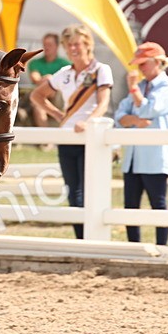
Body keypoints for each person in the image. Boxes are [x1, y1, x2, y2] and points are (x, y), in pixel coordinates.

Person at [29, 24, 113, 238]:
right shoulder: (64, 74)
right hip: (66, 137)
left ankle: (92, 238)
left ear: (87, 45)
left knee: (89, 192)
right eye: (69, 45)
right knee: (72, 192)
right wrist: (59, 115)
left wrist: (89, 122)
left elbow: (103, 103)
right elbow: (36, 96)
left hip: (90, 138)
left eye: (77, 44)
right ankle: (81, 239)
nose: (73, 49)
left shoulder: (100, 70)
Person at [113, 41, 168, 246]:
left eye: (144, 63)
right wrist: (135, 120)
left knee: (158, 205)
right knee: (130, 207)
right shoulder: (142, 87)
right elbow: (120, 115)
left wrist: (134, 94)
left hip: (155, 157)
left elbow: (148, 110)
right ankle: (134, 247)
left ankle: (162, 247)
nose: (140, 68)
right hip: (134, 157)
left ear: (158, 62)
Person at [26, 33, 70, 127]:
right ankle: (47, 141)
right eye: (44, 44)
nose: (46, 47)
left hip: (58, 98)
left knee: (39, 100)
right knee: (38, 105)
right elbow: (35, 78)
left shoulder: (66, 64)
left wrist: (49, 81)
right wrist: (50, 81)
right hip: (41, 97)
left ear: (57, 46)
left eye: (49, 45)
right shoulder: (34, 62)